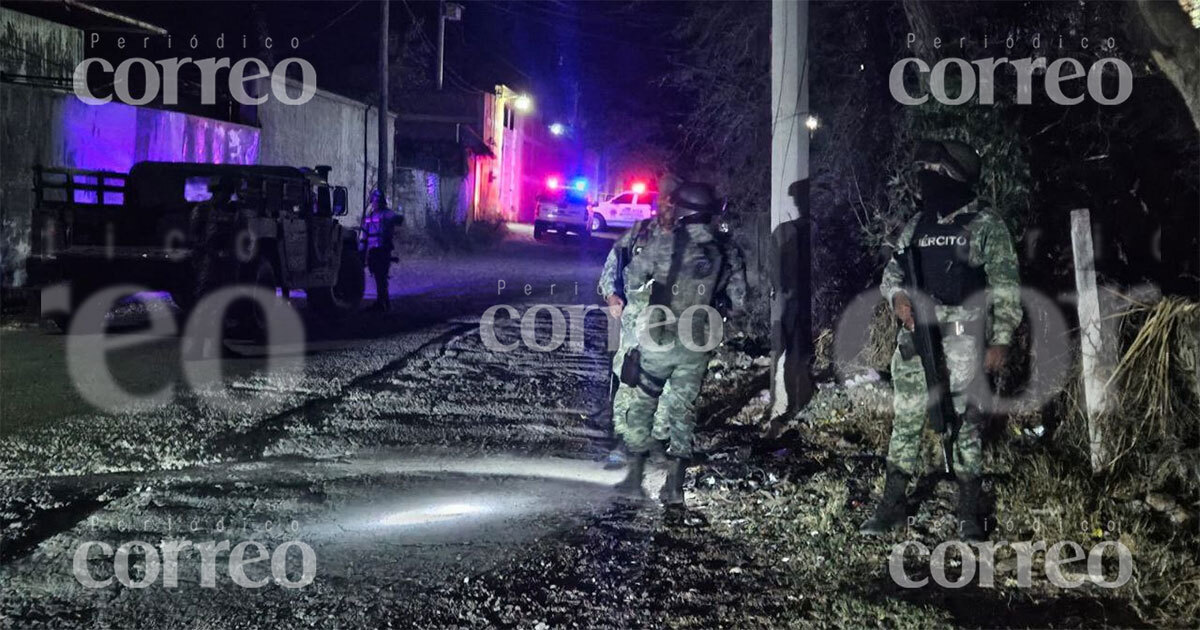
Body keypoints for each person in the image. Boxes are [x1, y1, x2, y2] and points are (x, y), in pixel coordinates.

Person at [860, 139, 1022, 540]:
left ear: (955, 177)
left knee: (966, 425)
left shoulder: (986, 224)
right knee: (908, 422)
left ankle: (968, 512)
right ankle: (891, 506)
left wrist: (1000, 341)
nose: (927, 180)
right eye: (926, 172)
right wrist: (897, 297)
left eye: (936, 172)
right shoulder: (919, 224)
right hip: (918, 342)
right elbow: (893, 272)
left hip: (965, 344)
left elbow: (1006, 288)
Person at [598, 180, 747, 507]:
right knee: (683, 409)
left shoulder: (666, 243)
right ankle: (674, 487)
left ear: (681, 211)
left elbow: (634, 277)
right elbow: (738, 301)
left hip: (659, 337)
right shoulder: (726, 249)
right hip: (697, 340)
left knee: (642, 402)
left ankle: (635, 480)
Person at [362, 189, 398, 312]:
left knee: (381, 277)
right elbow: (365, 233)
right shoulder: (370, 216)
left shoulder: (387, 214)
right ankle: (383, 302)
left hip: (383, 251)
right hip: (373, 252)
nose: (375, 203)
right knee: (378, 277)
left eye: (377, 200)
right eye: (374, 200)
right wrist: (362, 249)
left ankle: (383, 303)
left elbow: (397, 219)